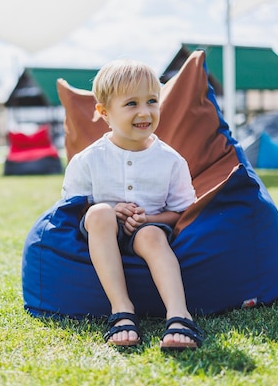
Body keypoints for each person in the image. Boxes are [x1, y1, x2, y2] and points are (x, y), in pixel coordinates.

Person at [61, 59, 205, 351]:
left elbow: (180, 213)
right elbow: (71, 209)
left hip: (148, 231)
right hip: (102, 233)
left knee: (151, 234)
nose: (144, 112)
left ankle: (179, 315)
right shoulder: (88, 160)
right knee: (99, 212)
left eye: (152, 101)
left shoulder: (171, 161)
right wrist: (111, 212)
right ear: (104, 112)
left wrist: (148, 218)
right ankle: (122, 309)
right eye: (131, 104)